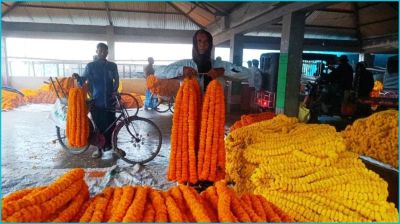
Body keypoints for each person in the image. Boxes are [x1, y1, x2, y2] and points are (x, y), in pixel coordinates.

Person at [73, 42, 119, 159]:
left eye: (105, 50)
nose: (103, 52)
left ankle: (112, 146)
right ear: (97, 52)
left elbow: (117, 81)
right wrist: (78, 77)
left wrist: (114, 91)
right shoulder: (91, 66)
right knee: (98, 126)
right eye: (100, 50)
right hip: (96, 100)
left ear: (107, 52)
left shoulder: (112, 66)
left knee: (111, 125)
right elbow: (82, 80)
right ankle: (98, 149)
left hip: (110, 101)